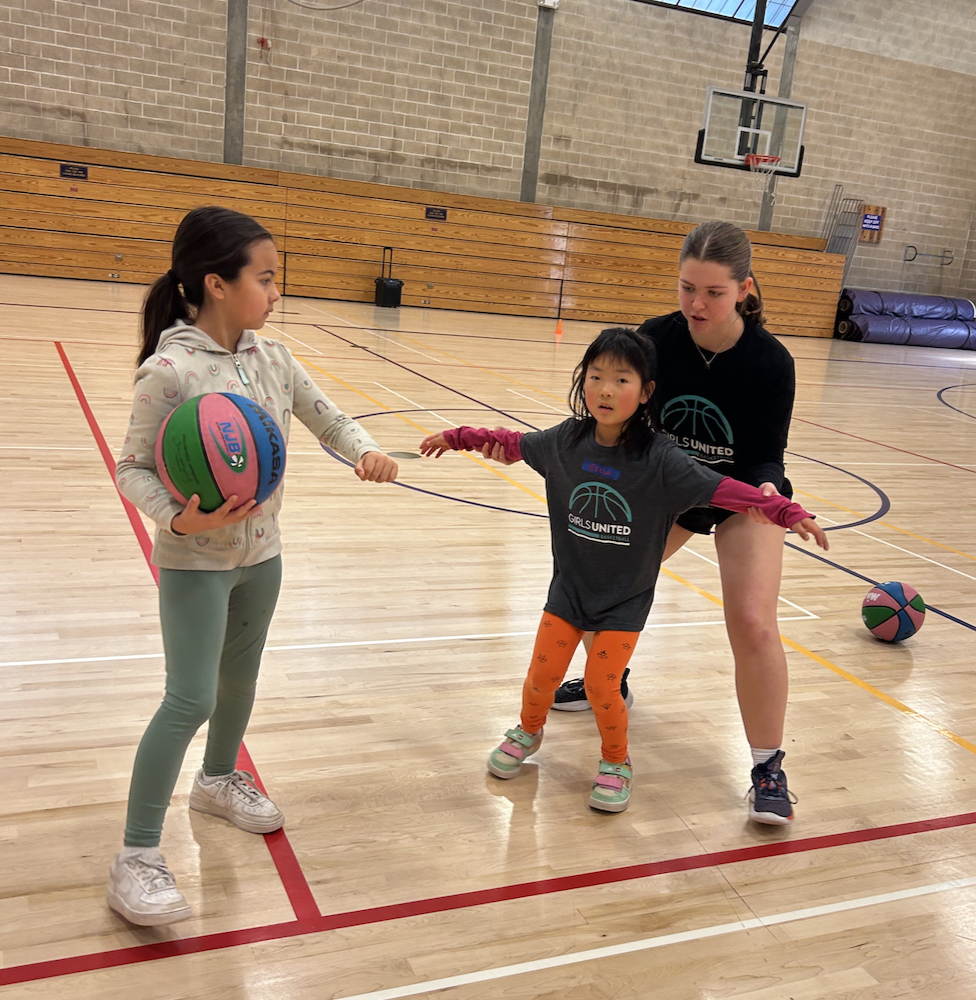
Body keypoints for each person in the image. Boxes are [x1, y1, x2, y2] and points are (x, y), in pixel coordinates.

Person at [108, 206, 398, 926]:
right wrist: (181, 518)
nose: (276, 293)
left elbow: (326, 415)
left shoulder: (273, 358)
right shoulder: (169, 372)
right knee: (189, 699)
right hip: (194, 563)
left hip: (261, 556)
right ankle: (137, 855)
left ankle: (217, 780)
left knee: (239, 682)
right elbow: (131, 468)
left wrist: (361, 448)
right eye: (265, 280)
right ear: (215, 284)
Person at [419, 327, 827, 814]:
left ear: (647, 392)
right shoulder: (563, 443)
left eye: (621, 379)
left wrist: (785, 510)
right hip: (568, 592)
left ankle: (616, 763)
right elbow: (509, 442)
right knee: (540, 678)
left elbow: (727, 490)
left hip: (622, 601)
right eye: (595, 377)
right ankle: (527, 733)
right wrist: (459, 437)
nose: (606, 390)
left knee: (601, 687)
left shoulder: (662, 461)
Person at [542, 220, 808, 826]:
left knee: (752, 621)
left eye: (713, 292)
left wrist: (766, 486)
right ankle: (610, 679)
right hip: (667, 489)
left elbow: (768, 451)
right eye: (687, 287)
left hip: (741, 495)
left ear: (744, 289)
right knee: (595, 577)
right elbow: (622, 417)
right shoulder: (655, 339)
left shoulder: (771, 362)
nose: (695, 303)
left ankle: (768, 767)